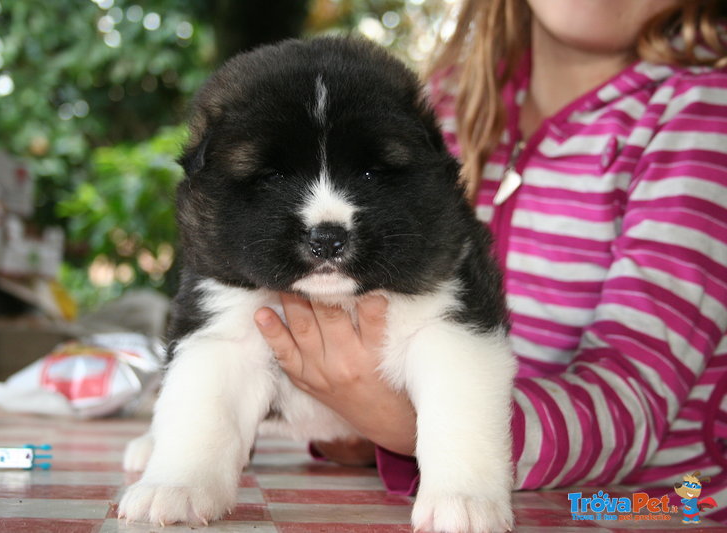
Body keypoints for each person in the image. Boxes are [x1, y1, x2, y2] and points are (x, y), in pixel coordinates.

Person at [253, 0, 727, 520]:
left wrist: (407, 425)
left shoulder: (707, 114)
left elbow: (633, 400)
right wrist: (353, 421)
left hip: (659, 509)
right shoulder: (442, 102)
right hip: (444, 501)